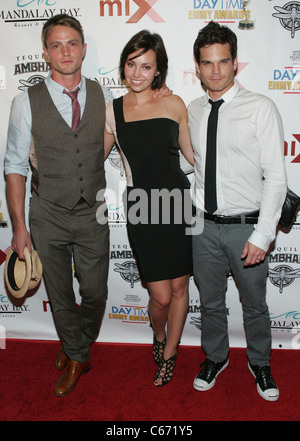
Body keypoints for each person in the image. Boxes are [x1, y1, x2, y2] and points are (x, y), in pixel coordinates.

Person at [4, 14, 112, 397]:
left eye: (72, 44)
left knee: (96, 292)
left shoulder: (104, 95)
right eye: (56, 45)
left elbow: (118, 132)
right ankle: (78, 354)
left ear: (83, 48)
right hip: (46, 211)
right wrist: (19, 226)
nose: (65, 52)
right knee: (61, 293)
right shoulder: (25, 101)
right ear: (45, 52)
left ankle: (73, 344)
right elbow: (14, 167)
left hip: (93, 210)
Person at [188, 21, 287, 401]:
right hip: (202, 226)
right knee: (210, 302)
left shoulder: (260, 107)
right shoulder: (193, 110)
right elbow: (192, 162)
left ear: (235, 64)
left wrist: (263, 235)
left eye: (223, 62)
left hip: (247, 227)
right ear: (197, 67)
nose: (215, 71)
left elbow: (276, 178)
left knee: (255, 305)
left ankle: (260, 362)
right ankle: (215, 356)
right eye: (207, 63)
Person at [105, 30, 195, 387]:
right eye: (132, 64)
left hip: (177, 203)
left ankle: (170, 353)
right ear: (124, 65)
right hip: (141, 206)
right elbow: (94, 156)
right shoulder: (113, 110)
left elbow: (193, 158)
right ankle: (158, 335)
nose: (138, 73)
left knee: (179, 288)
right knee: (159, 295)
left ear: (159, 71)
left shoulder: (174, 104)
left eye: (146, 66)